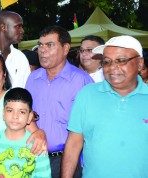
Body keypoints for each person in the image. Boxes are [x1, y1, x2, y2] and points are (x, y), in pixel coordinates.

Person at [62, 35, 148, 178]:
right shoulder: (87, 94)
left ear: (139, 63)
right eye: (107, 62)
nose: (112, 68)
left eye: (121, 61)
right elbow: (73, 144)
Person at [25, 25, 94, 178]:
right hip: (32, 158)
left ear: (65, 48)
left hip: (66, 160)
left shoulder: (82, 82)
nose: (42, 50)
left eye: (49, 45)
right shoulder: (32, 78)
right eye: (40, 45)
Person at [0, 52, 47, 153]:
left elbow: (34, 132)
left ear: (4, 75)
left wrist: (40, 133)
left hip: (8, 160)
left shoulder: (13, 99)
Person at [0, 87, 51, 177]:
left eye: (22, 112)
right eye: (10, 110)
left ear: (29, 117)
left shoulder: (37, 145)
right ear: (3, 114)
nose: (15, 116)